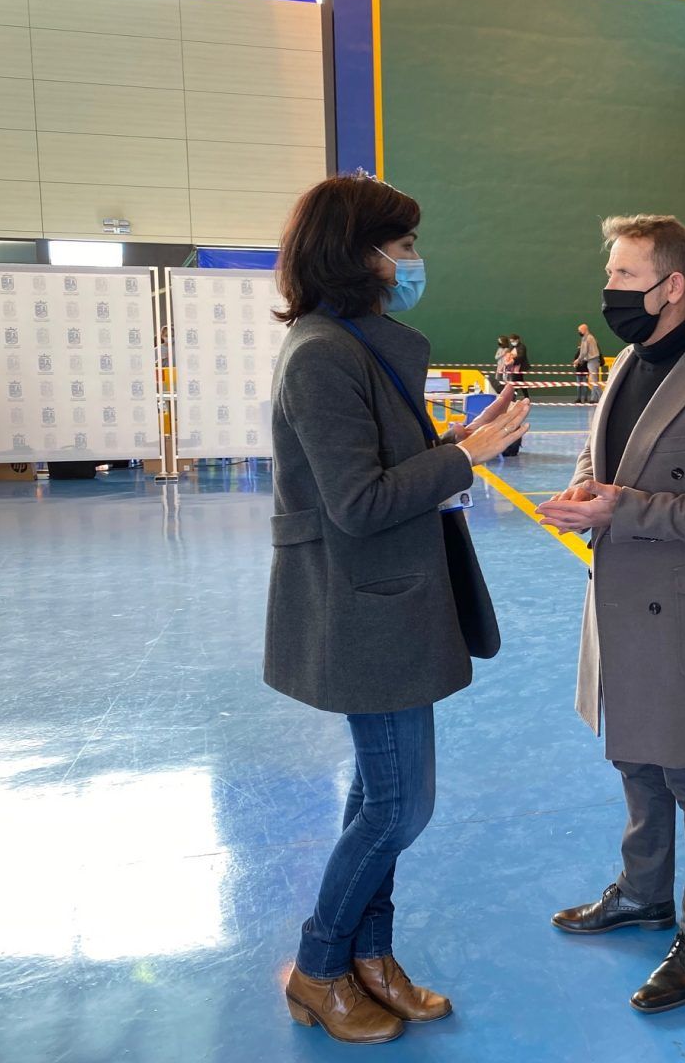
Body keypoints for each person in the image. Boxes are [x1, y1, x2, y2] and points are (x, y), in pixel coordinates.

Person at [266, 173, 530, 1045]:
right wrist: (467, 458)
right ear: (360, 254)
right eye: (404, 245)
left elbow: (382, 465)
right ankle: (319, 967)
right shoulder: (321, 355)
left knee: (379, 795)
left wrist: (458, 440)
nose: (414, 261)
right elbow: (359, 501)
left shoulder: (352, 344)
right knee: (399, 807)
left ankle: (370, 958)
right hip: (366, 610)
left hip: (388, 602)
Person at [537, 214, 685, 1014]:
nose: (609, 290)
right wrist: (584, 488)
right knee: (635, 758)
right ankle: (644, 893)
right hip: (622, 604)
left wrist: (628, 508)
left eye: (624, 276)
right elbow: (602, 454)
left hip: (684, 616)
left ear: (672, 287)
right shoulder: (625, 365)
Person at [574, 322, 602, 404]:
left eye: (579, 330)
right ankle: (594, 399)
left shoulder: (586, 338)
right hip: (594, 361)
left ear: (584, 330)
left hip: (592, 361)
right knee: (594, 380)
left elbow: (583, 352)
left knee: (594, 381)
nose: (579, 332)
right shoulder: (591, 337)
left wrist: (578, 360)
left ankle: (603, 397)